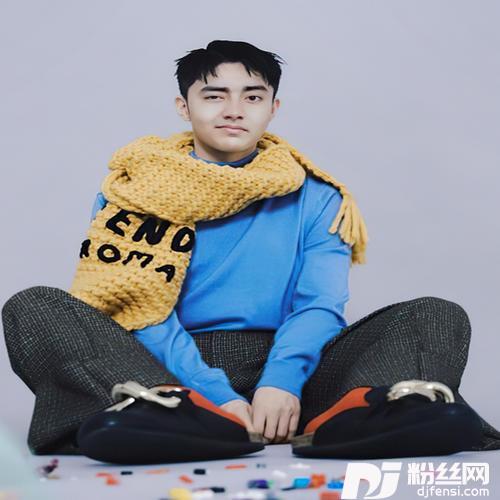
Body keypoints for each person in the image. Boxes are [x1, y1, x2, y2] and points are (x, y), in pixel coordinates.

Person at [2, 40, 500, 455]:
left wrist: (281, 382)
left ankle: (358, 415)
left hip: (293, 368)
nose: (234, 110)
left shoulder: (318, 195)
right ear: (184, 107)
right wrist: (213, 394)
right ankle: (165, 410)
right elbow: (137, 309)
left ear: (272, 108)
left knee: (435, 313)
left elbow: (319, 305)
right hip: (165, 367)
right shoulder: (134, 191)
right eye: (214, 95)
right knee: (33, 306)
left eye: (253, 96)